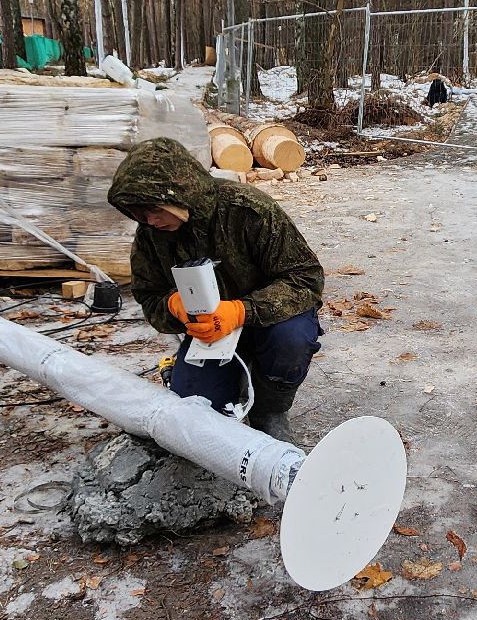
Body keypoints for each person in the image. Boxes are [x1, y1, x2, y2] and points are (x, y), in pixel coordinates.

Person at [107, 137, 324, 441]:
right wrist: (172, 306)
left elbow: (306, 278)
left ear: (182, 192)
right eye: (140, 214)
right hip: (211, 336)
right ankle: (222, 380)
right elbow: (149, 295)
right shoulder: (150, 237)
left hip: (271, 323)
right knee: (194, 412)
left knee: (291, 339)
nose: (150, 221)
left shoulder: (248, 210)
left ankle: (269, 410)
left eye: (154, 209)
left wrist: (240, 311)